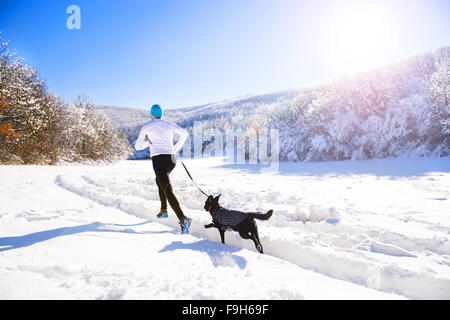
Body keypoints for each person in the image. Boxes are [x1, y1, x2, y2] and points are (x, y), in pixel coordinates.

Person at [134, 104, 191, 234]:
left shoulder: (147, 126)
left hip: (159, 160)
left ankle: (183, 219)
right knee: (160, 181)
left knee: (166, 188)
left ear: (151, 115)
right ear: (161, 114)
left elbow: (138, 147)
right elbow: (184, 133)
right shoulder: (168, 124)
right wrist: (175, 148)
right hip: (172, 159)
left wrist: (149, 142)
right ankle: (164, 210)